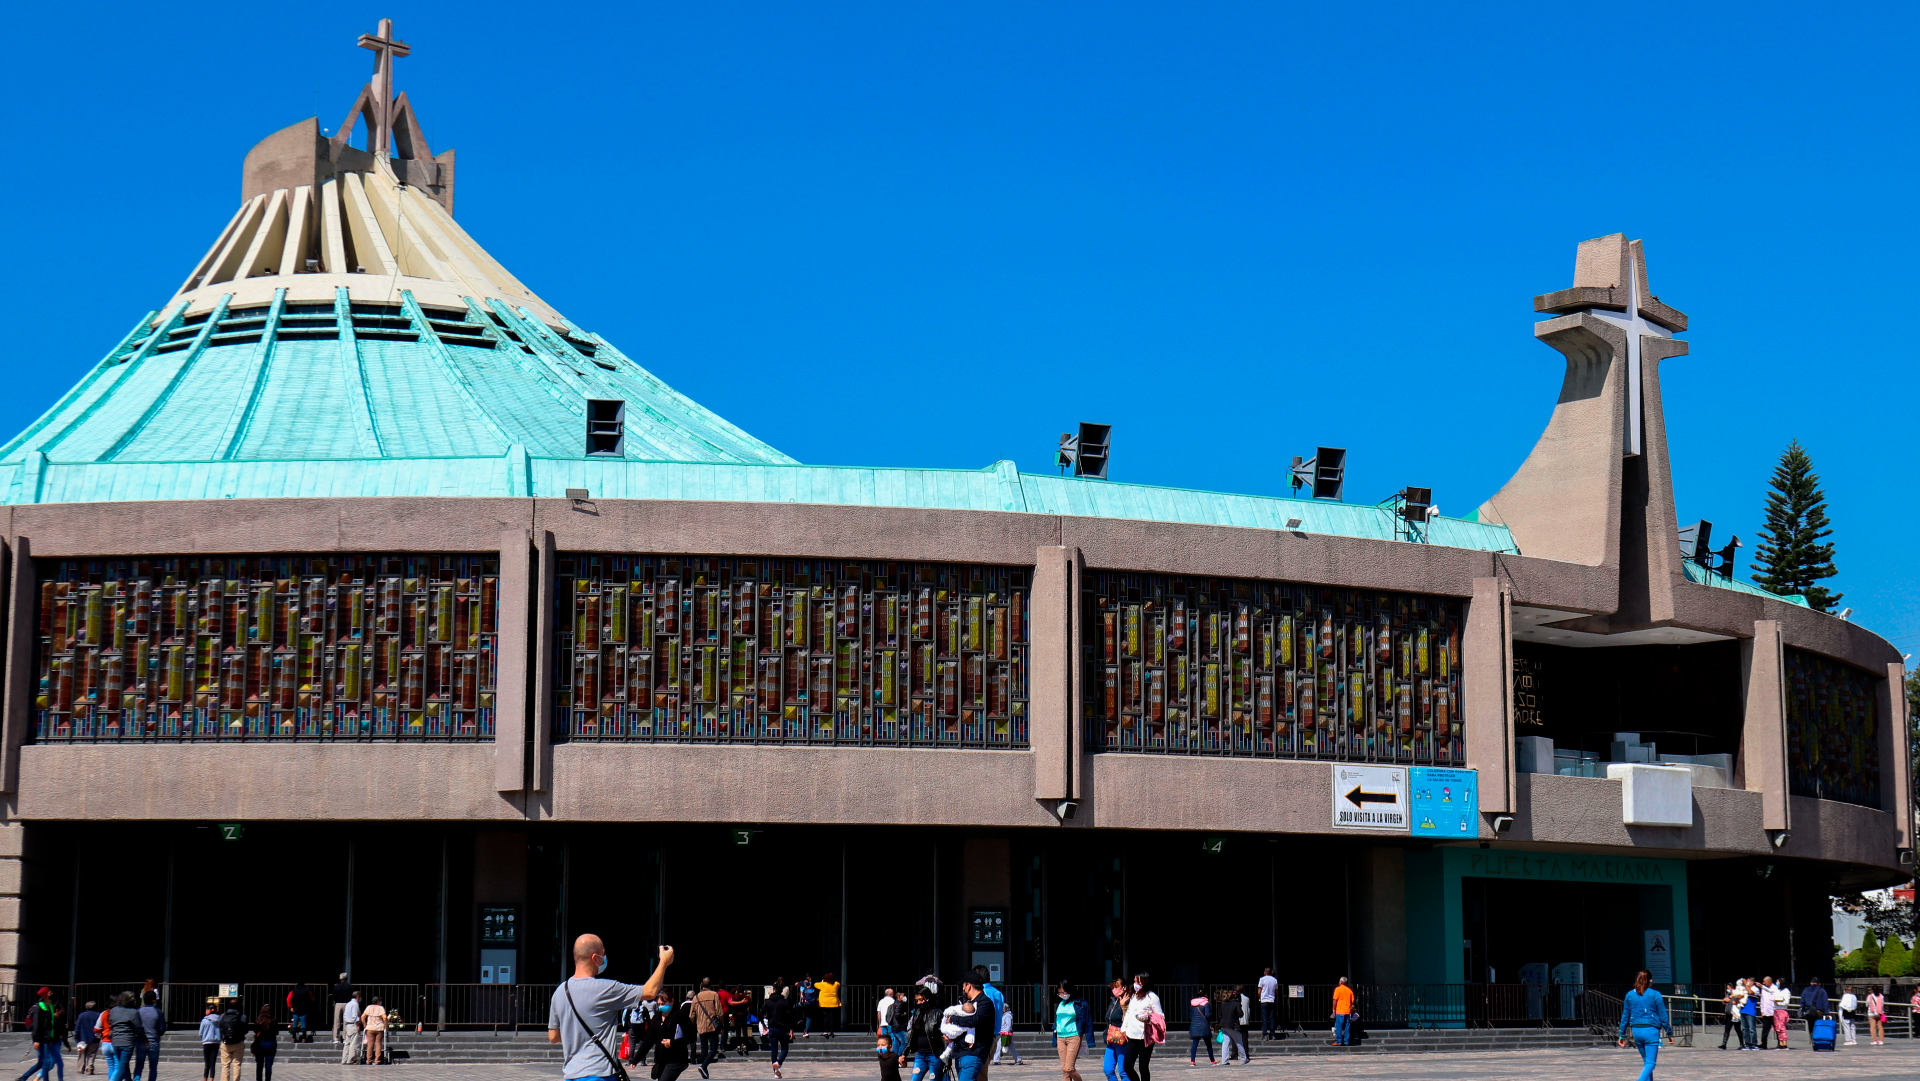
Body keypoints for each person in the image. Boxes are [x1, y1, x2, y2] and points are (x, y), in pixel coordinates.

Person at [545, 938, 674, 1081]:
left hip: (571, 1075)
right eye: (603, 954)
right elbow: (650, 991)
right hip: (600, 1073)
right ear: (595, 957)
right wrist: (663, 963)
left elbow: (553, 1037)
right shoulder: (606, 989)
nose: (604, 958)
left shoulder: (560, 992)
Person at [1615, 970, 1671, 1081]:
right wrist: (1669, 1032)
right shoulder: (1655, 994)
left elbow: (1625, 1016)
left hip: (1636, 1030)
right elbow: (1663, 1015)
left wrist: (1622, 1034)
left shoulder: (1630, 995)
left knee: (1647, 1062)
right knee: (1651, 1063)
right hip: (1651, 1030)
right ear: (1650, 980)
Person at [954, 978, 997, 1081]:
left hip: (974, 1053)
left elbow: (973, 1020)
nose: (963, 989)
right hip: (961, 1052)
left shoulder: (985, 1003)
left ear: (969, 986)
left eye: (964, 986)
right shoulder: (967, 1002)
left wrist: (953, 1019)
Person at [1118, 973, 1159, 1081]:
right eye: (1135, 981)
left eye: (1139, 982)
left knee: (1143, 1067)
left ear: (1145, 982)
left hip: (1146, 1036)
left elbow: (1160, 1016)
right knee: (1127, 1065)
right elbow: (1128, 1013)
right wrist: (1124, 1029)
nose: (1136, 984)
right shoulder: (1133, 996)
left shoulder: (1152, 997)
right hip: (1132, 1035)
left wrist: (1149, 1017)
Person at [18, 986, 62, 1081]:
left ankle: (23, 1078)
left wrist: (51, 1038)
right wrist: (36, 1040)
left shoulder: (49, 1006)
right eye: (50, 992)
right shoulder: (39, 1008)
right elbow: (37, 1025)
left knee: (42, 1062)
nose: (52, 994)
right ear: (46, 995)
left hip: (47, 1037)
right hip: (41, 1037)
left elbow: (50, 1024)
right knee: (46, 1062)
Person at [1050, 981, 1090, 1081]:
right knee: (1064, 1070)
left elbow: (1087, 1021)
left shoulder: (1079, 1003)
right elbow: (1057, 1019)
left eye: (1064, 992)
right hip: (1060, 1037)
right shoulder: (1060, 1003)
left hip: (1074, 1036)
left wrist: (1089, 1038)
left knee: (1069, 1068)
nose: (1062, 995)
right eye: (1060, 993)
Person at [905, 986, 944, 1081]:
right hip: (920, 1055)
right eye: (917, 1001)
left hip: (934, 1055)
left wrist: (946, 1056)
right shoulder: (917, 1014)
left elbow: (943, 1035)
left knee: (934, 1079)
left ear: (928, 998)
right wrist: (904, 1053)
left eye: (921, 1000)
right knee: (914, 1079)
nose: (919, 1003)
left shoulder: (937, 1014)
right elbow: (912, 1036)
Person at [102, 993, 141, 1081]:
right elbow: (138, 1027)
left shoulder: (114, 1011)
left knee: (123, 1064)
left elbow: (111, 1023)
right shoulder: (133, 1012)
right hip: (127, 1041)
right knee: (123, 1065)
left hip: (115, 1041)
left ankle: (128, 1079)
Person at [691, 979, 725, 1079]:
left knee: (703, 1048)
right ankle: (704, 1066)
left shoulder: (696, 997)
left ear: (701, 985)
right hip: (712, 1026)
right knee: (714, 1048)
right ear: (710, 985)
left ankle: (704, 1068)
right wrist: (722, 1025)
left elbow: (691, 1015)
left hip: (701, 1026)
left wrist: (693, 1025)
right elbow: (719, 1012)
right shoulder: (714, 995)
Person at [761, 980, 795, 1079]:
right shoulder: (786, 1002)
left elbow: (760, 1014)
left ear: (774, 990)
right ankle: (779, 1064)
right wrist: (791, 1029)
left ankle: (776, 1072)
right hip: (782, 1028)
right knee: (784, 1048)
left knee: (774, 1050)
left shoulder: (768, 1002)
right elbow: (790, 1017)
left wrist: (764, 1025)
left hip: (771, 1027)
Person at [1099, 980, 1127, 1081]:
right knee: (1108, 1069)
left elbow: (1128, 1019)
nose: (1114, 990)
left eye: (1116, 987)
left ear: (1124, 988)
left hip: (1123, 1039)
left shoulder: (1127, 1001)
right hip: (1111, 1038)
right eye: (1113, 987)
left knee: (1123, 1071)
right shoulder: (1113, 1001)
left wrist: (1124, 1006)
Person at [134, 990, 165, 1081]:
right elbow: (162, 1029)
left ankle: (136, 1079)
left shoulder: (138, 1011)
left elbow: (136, 1027)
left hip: (141, 1042)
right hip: (153, 1041)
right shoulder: (158, 1012)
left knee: (139, 1066)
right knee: (153, 1068)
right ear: (153, 1001)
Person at [218, 998, 248, 1081]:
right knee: (237, 1064)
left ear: (228, 1005)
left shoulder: (223, 1016)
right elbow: (245, 1029)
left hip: (225, 1043)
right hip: (238, 1043)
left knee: (225, 1066)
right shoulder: (242, 1016)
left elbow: (220, 1027)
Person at [1217, 988, 1247, 1065]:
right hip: (1233, 1025)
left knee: (1225, 1042)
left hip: (1224, 1025)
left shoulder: (1223, 1004)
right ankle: (1243, 1058)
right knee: (1239, 1041)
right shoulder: (1236, 1004)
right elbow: (1240, 1014)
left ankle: (1224, 1060)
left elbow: (1219, 1016)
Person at [1184, 993, 1214, 1066]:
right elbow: (1208, 1015)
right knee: (1208, 1044)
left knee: (1195, 1044)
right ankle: (1212, 1060)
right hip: (1204, 1025)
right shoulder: (1206, 1003)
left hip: (1194, 1025)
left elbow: (1191, 1016)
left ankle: (1192, 1061)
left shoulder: (1192, 1003)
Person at [1799, 976, 1828, 1048]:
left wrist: (1804, 1008)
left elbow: (1802, 1001)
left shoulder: (1805, 990)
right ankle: (1819, 1040)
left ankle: (1813, 1041)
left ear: (1811, 983)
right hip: (1819, 1011)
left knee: (1811, 1026)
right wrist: (1827, 1012)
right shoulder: (1821, 990)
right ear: (1819, 984)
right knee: (1819, 1026)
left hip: (1809, 1011)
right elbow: (1825, 1002)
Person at [250, 1006, 278, 1081]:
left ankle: (259, 1079)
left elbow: (255, 1031)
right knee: (268, 1065)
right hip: (271, 1043)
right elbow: (276, 1032)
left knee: (259, 1065)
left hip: (260, 1043)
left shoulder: (258, 1021)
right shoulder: (273, 1021)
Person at [76, 1001, 102, 1077]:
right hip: (94, 1038)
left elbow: (77, 1027)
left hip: (83, 1038)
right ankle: (90, 1067)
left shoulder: (82, 1015)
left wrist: (77, 1038)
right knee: (92, 1054)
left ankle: (80, 1068)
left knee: (82, 1054)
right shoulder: (98, 1015)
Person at [361, 997, 388, 1067]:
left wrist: (365, 1025)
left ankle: (368, 1060)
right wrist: (386, 1026)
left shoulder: (368, 1007)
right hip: (379, 1028)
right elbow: (384, 1017)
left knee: (370, 1045)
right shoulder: (380, 1008)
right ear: (378, 1001)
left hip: (370, 1028)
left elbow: (363, 1017)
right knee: (378, 1044)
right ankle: (377, 1060)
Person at [198, 1004, 221, 1081]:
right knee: (213, 1063)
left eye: (207, 1010)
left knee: (207, 1063)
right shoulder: (219, 1020)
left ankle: (205, 1078)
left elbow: (200, 1033)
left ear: (210, 1010)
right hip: (216, 1043)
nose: (205, 1011)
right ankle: (212, 1078)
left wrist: (203, 1039)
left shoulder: (204, 1020)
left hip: (206, 1042)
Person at [1329, 978, 1354, 1047]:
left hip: (1340, 1010)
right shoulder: (1349, 990)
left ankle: (1338, 1041)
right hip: (1347, 1011)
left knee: (1339, 1026)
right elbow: (1352, 1001)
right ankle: (1346, 1041)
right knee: (1347, 1027)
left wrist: (1333, 1008)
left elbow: (1335, 1000)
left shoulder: (1338, 989)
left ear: (1340, 982)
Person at [338, 994, 362, 1066]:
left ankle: (344, 1059)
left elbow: (345, 1015)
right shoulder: (355, 1004)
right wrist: (358, 1025)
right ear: (358, 997)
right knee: (353, 1043)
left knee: (347, 1043)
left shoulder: (348, 1004)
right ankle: (350, 1060)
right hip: (353, 1024)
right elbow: (355, 1016)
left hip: (347, 1025)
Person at [816, 973, 842, 1038]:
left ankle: (826, 1031)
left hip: (824, 1003)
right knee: (832, 1017)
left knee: (825, 1017)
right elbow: (839, 984)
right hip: (833, 1003)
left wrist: (822, 981)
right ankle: (832, 1031)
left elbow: (815, 984)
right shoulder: (836, 984)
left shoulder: (823, 984)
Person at [331, 976, 354, 1046]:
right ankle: (345, 1038)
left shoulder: (336, 987)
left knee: (337, 1021)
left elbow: (333, 996)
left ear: (340, 979)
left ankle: (336, 1038)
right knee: (345, 1021)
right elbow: (352, 996)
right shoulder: (350, 987)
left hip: (338, 1004)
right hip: (347, 1004)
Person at [1255, 971, 1277, 1041]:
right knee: (1272, 1018)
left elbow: (1259, 991)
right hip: (1271, 1000)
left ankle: (1265, 1034)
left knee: (1264, 1018)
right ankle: (1272, 1034)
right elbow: (1276, 991)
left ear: (1265, 972)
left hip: (1264, 1000)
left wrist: (1259, 997)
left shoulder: (1262, 979)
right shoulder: (1274, 980)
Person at [1716, 983, 1738, 1050]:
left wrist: (1731, 999)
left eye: (1729, 988)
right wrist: (1724, 1000)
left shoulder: (1736, 994)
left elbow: (1738, 1002)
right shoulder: (1727, 994)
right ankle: (1724, 1044)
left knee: (1738, 1029)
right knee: (1727, 1029)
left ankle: (1742, 1044)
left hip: (1734, 1014)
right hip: (1728, 1014)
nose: (1728, 990)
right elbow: (1724, 1002)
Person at [1736, 978, 1757, 1050]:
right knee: (1744, 1029)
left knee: (1752, 1029)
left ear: (1752, 982)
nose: (1747, 983)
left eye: (1749, 982)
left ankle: (1754, 1044)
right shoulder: (1744, 989)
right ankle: (1747, 1044)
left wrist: (1746, 984)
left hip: (1751, 1012)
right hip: (1743, 1010)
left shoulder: (1755, 989)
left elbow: (1751, 993)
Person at [1755, 977, 1775, 1049]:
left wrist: (1762, 986)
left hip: (1773, 1011)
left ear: (1769, 982)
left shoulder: (1774, 988)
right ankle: (1764, 1043)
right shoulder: (1763, 989)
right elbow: (1762, 1000)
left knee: (1778, 1028)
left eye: (1764, 982)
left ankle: (1781, 1043)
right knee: (1765, 1028)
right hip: (1766, 1012)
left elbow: (1771, 991)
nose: (1763, 983)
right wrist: (1762, 1010)